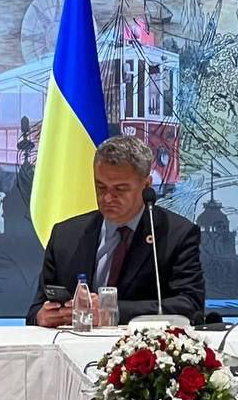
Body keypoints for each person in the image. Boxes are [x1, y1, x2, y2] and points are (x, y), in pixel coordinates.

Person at [26, 136, 205, 326]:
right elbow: (36, 310)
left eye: (120, 189)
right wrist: (42, 316)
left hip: (141, 343)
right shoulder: (66, 235)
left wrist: (112, 311)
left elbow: (190, 306)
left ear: (146, 185)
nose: (108, 198)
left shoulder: (176, 234)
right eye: (101, 187)